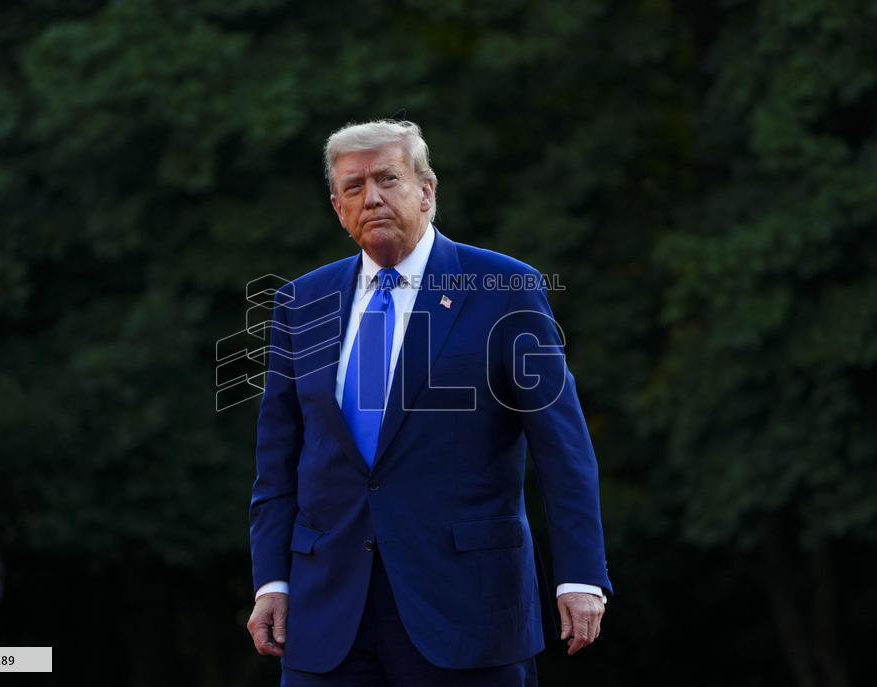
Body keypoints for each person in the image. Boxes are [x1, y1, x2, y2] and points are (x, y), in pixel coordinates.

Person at [247, 119, 612, 686]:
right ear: (337, 207)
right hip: (328, 614)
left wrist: (581, 576)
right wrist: (272, 581)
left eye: (388, 179)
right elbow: (278, 457)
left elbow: (563, 447)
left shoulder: (504, 291)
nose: (372, 197)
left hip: (467, 610)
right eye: (353, 186)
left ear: (427, 190)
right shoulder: (302, 301)